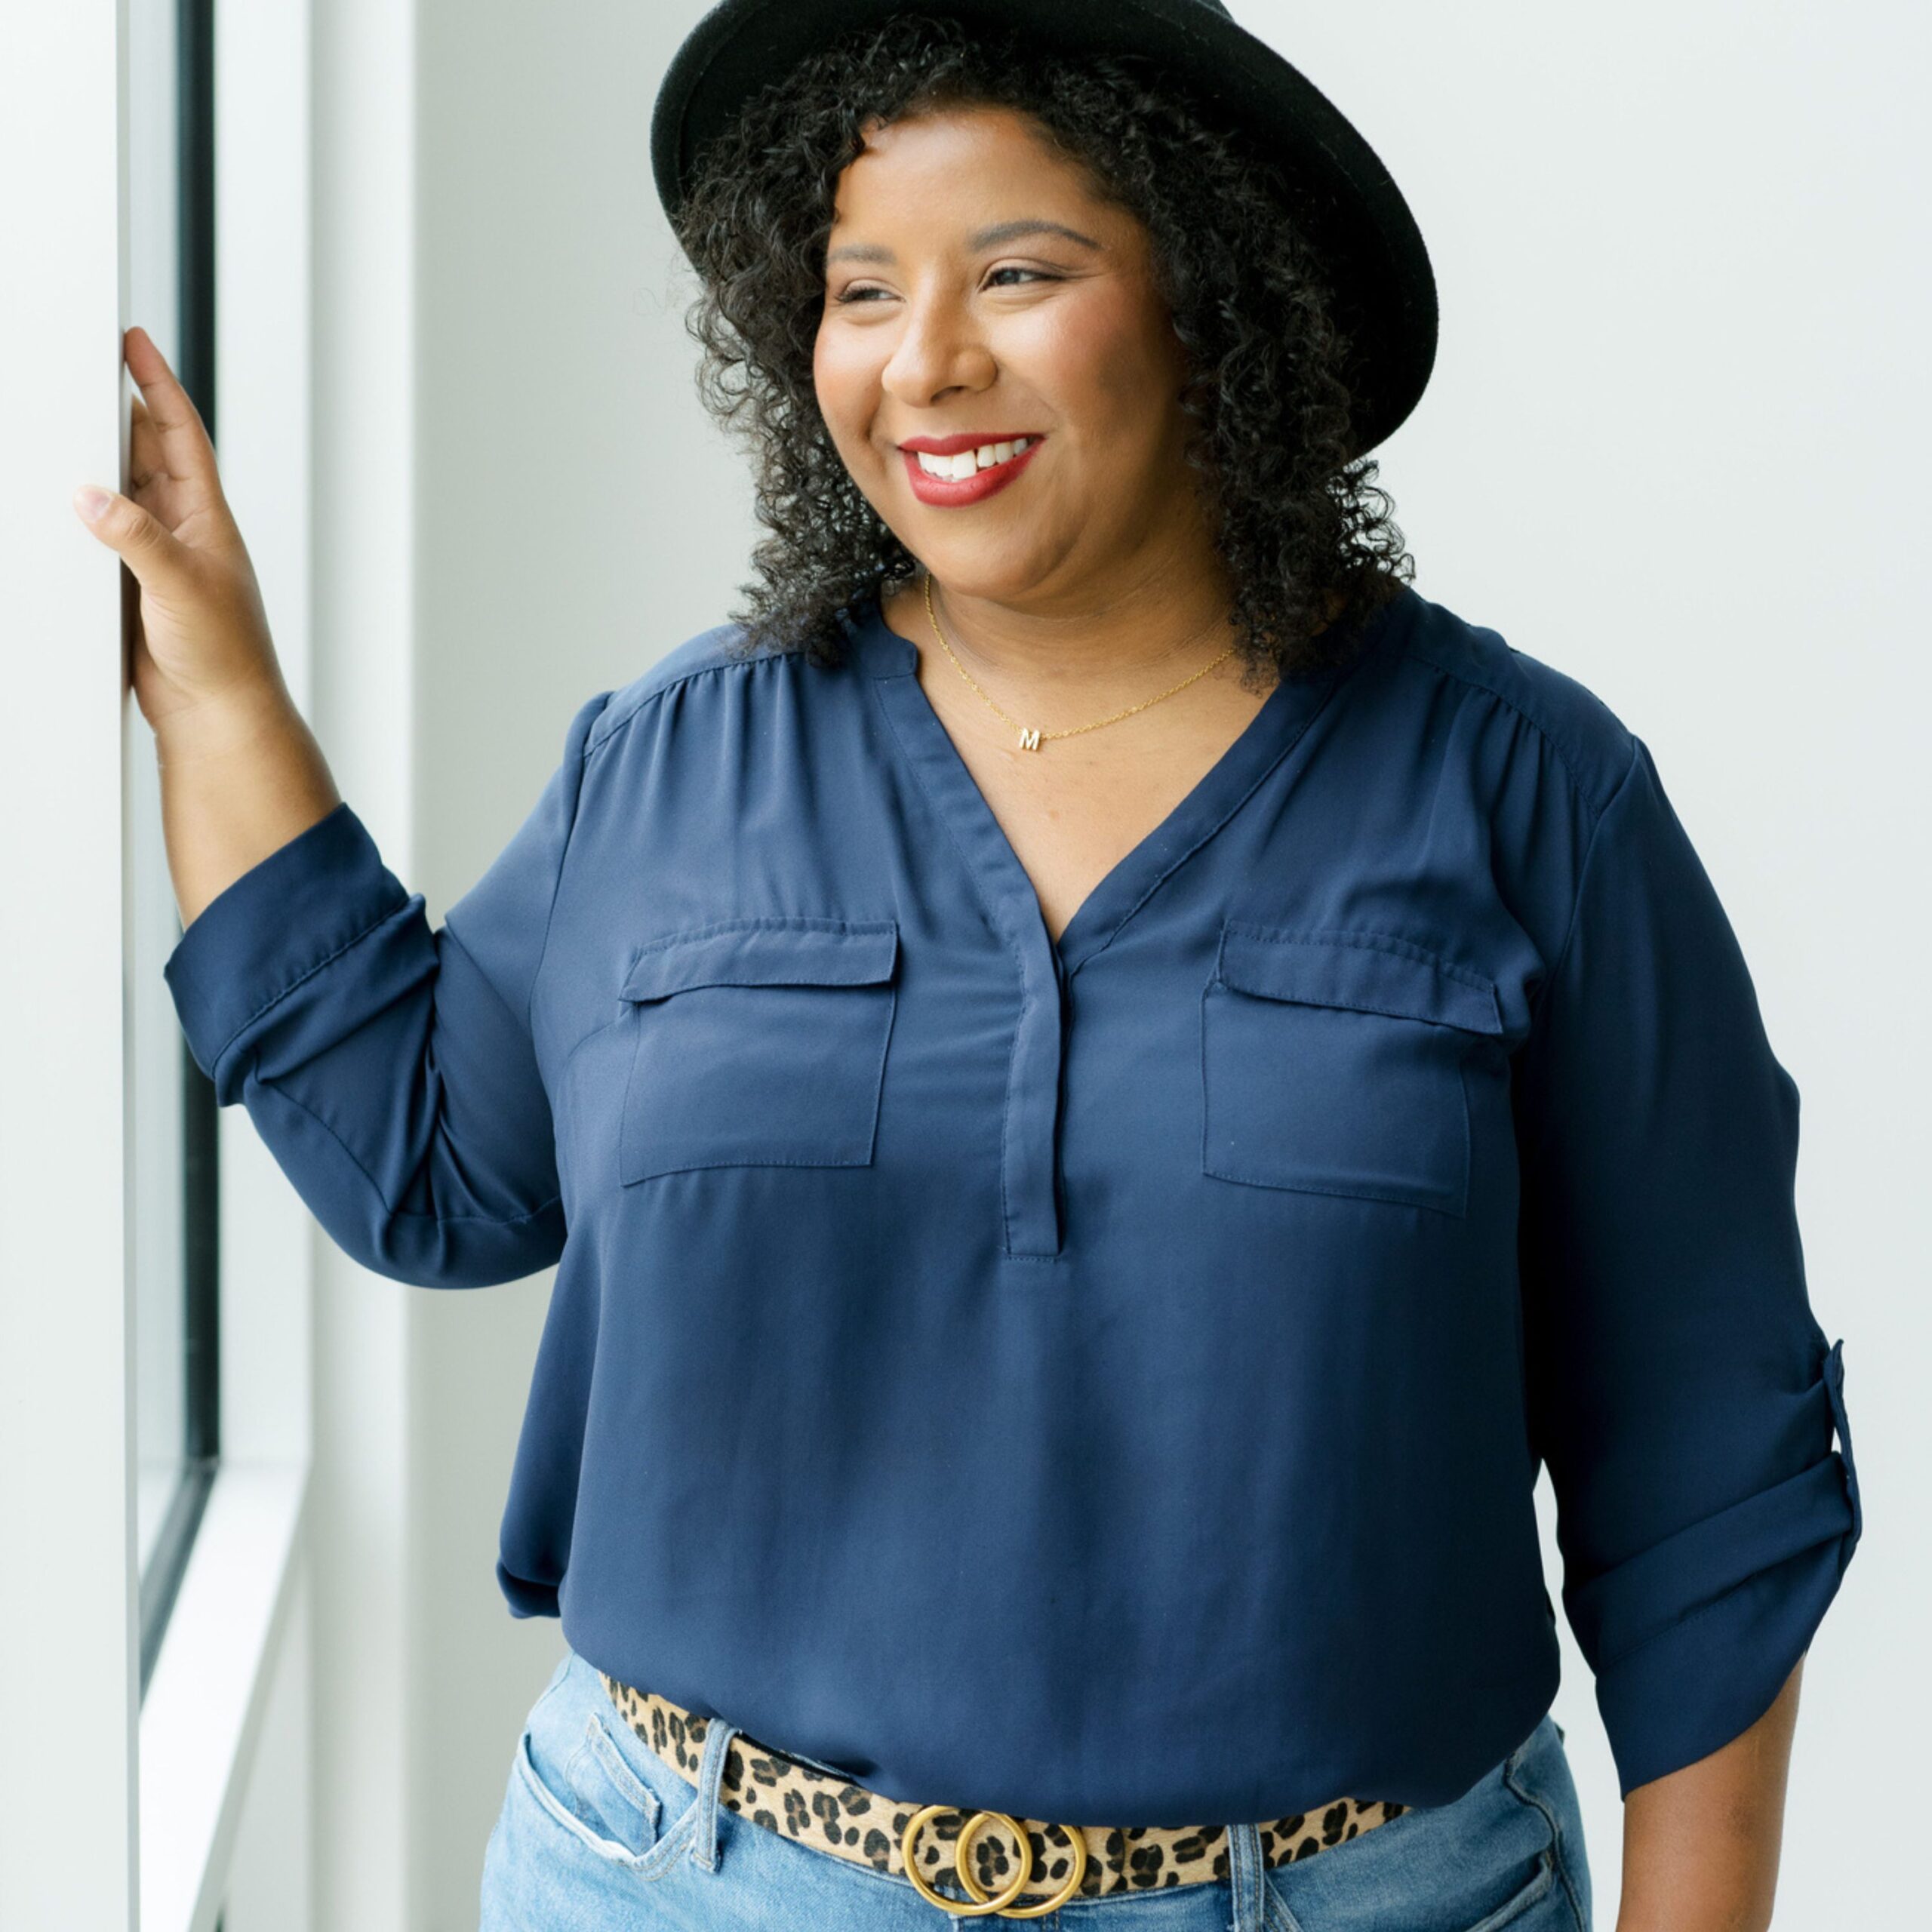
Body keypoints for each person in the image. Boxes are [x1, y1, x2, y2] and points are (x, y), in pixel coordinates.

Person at [75, 3, 1862, 1927]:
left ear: (1209, 300)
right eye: (859, 288)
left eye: (1017, 271)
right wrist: (219, 688)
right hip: (677, 1881)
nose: (921, 362)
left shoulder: (1525, 795)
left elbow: (1706, 1482)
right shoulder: (672, 765)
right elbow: (431, 1158)